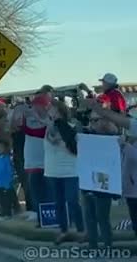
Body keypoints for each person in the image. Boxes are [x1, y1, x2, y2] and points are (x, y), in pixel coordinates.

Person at [44, 100, 85, 244]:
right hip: (52, 169)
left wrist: (63, 141)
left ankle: (81, 230)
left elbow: (77, 148)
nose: (49, 111)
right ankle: (63, 231)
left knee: (72, 200)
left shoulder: (73, 125)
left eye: (52, 109)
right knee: (58, 203)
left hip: (70, 170)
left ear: (59, 110)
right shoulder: (48, 127)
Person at [81, 104, 120, 248]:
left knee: (102, 217)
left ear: (105, 121)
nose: (92, 124)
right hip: (88, 181)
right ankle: (93, 247)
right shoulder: (86, 136)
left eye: (95, 120)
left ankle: (108, 247)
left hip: (104, 183)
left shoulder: (113, 137)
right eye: (91, 120)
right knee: (89, 217)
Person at [23, 92, 52, 224]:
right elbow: (15, 127)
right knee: (35, 191)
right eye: (33, 105)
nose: (34, 108)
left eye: (38, 105)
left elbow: (41, 132)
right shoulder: (28, 120)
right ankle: (38, 215)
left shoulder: (51, 120)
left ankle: (50, 218)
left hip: (48, 163)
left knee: (47, 192)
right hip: (32, 162)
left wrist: (37, 117)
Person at [0, 133, 14, 220]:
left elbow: (9, 172)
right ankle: (2, 212)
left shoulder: (7, 159)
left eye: (0, 147)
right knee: (1, 199)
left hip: (5, 184)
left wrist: (8, 182)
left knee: (6, 200)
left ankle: (7, 213)